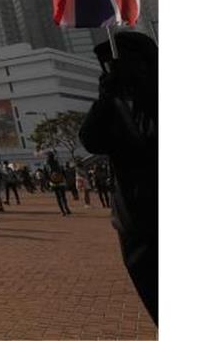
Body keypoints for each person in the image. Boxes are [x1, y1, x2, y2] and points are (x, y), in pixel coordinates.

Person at [79, 32, 158, 324]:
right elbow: (91, 140)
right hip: (136, 226)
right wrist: (105, 99)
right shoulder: (115, 103)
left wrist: (148, 92)